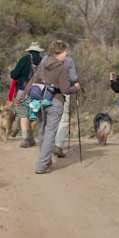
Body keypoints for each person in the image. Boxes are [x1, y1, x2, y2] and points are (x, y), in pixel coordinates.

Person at [22, 40, 81, 174]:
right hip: (56, 102)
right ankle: (41, 165)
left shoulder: (43, 63)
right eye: (66, 51)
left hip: (41, 101)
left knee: (42, 131)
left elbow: (34, 80)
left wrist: (23, 96)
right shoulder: (62, 68)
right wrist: (75, 88)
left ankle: (46, 161)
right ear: (60, 52)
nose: (67, 54)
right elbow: (65, 89)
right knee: (50, 134)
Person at [10, 42, 45, 148]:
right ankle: (33, 137)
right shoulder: (43, 61)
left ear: (29, 50)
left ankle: (25, 139)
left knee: (23, 114)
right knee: (35, 113)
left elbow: (14, 75)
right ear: (39, 51)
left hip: (23, 90)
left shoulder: (24, 59)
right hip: (39, 90)